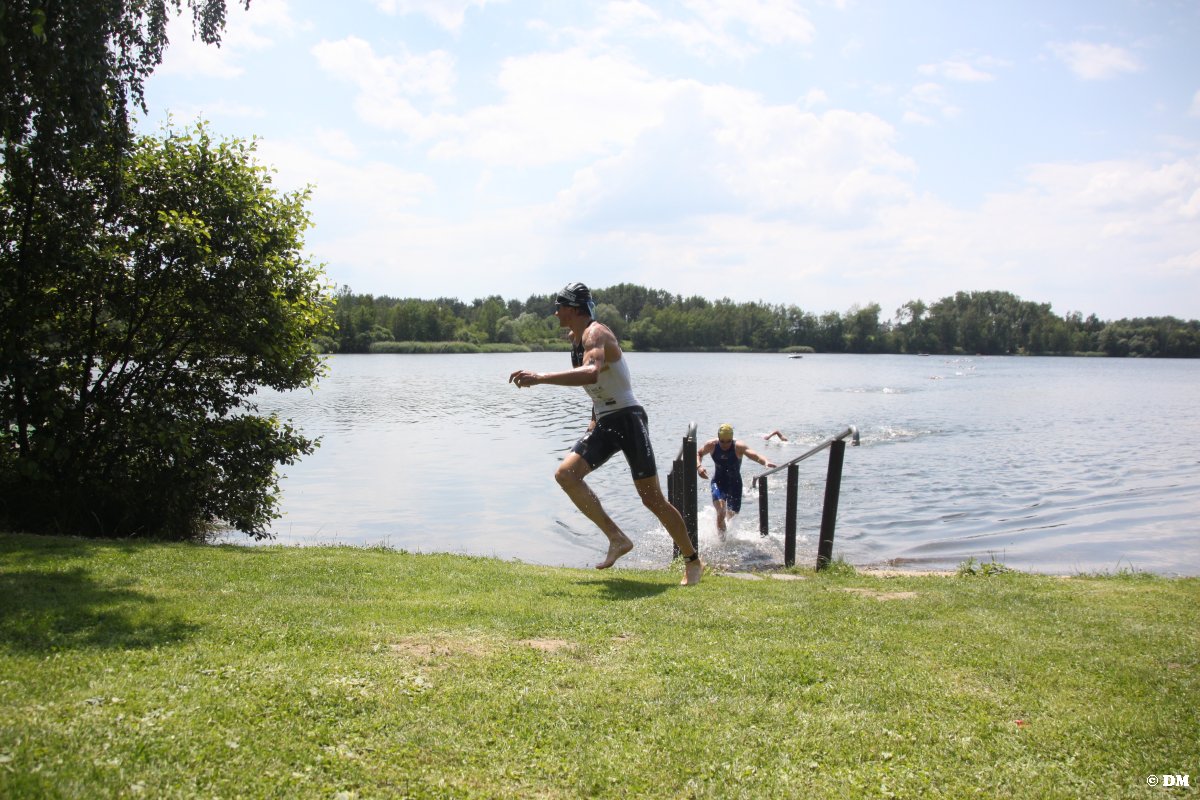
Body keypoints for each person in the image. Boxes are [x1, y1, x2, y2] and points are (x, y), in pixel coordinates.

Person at [508, 282, 703, 586]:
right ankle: (616, 537)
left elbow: (591, 373)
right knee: (566, 475)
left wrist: (540, 378)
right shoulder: (575, 339)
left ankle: (692, 561)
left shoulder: (596, 333)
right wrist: (593, 419)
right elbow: (598, 387)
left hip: (629, 419)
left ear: (573, 308)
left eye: (559, 306)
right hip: (605, 421)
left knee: (652, 499)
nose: (555, 312)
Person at [696, 424, 776, 535]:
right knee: (721, 512)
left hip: (735, 484)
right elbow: (698, 453)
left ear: (732, 438)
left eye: (728, 441)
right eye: (722, 441)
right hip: (718, 482)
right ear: (718, 438)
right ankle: (722, 541)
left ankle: (728, 538)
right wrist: (699, 467)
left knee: (731, 516)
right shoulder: (711, 445)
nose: (725, 444)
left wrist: (766, 462)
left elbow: (756, 456)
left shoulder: (738, 446)